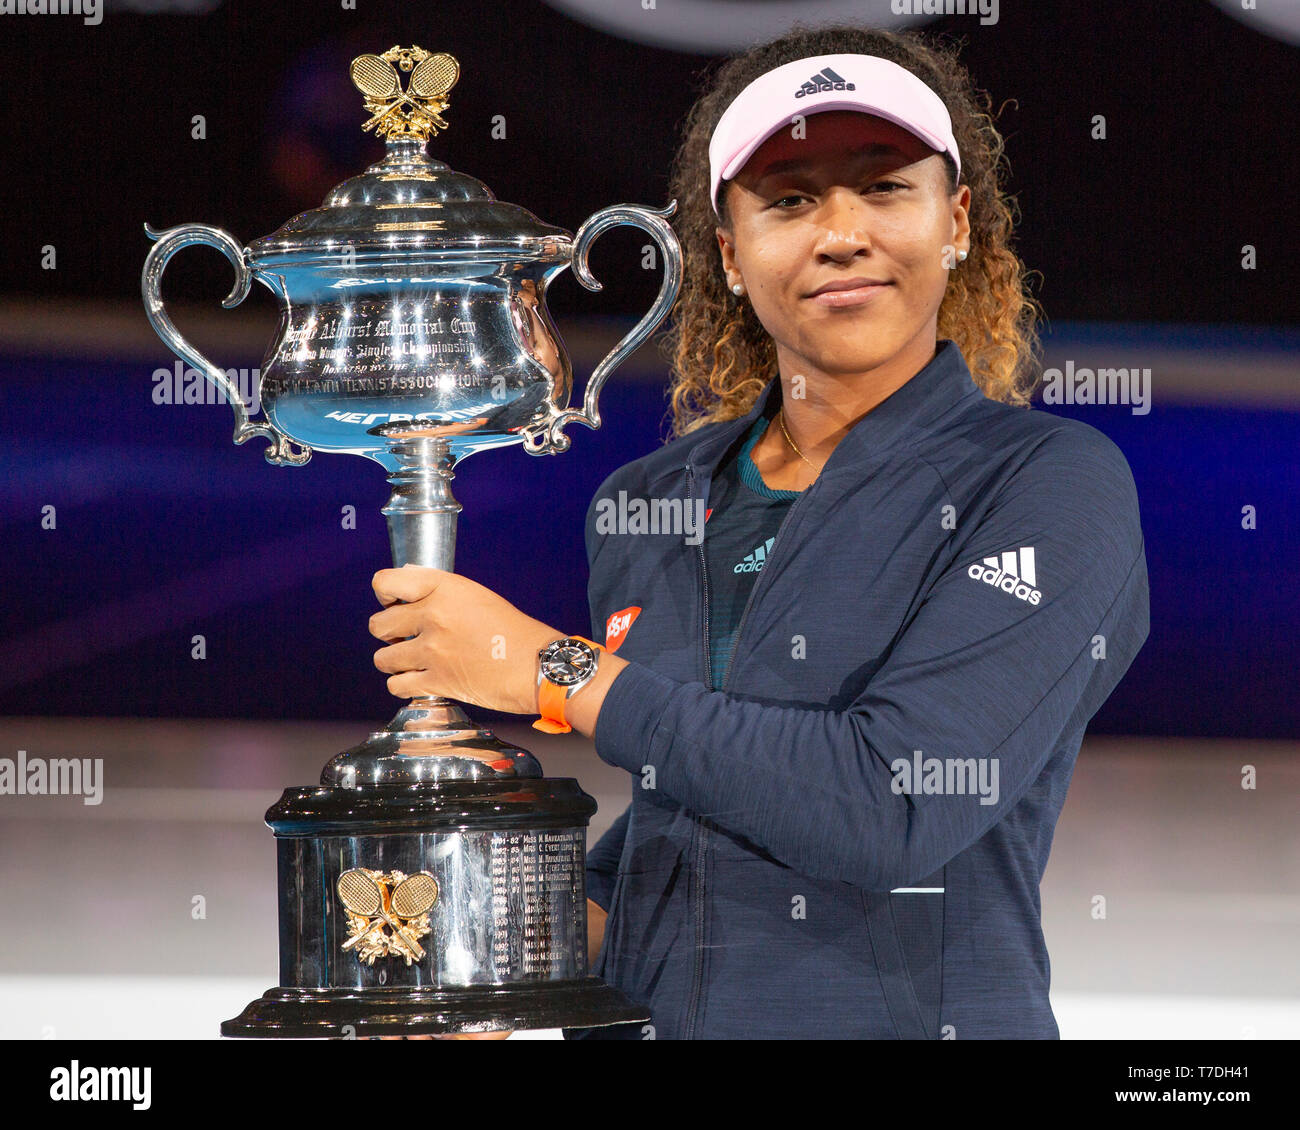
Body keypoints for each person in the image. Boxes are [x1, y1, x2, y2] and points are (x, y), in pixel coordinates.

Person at [368, 23, 1150, 1040]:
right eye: (788, 199)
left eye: (883, 187)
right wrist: (470, 950)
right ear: (729, 254)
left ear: (955, 222)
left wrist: (556, 670)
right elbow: (670, 849)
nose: (839, 233)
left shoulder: (1049, 483)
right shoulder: (651, 496)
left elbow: (891, 800)